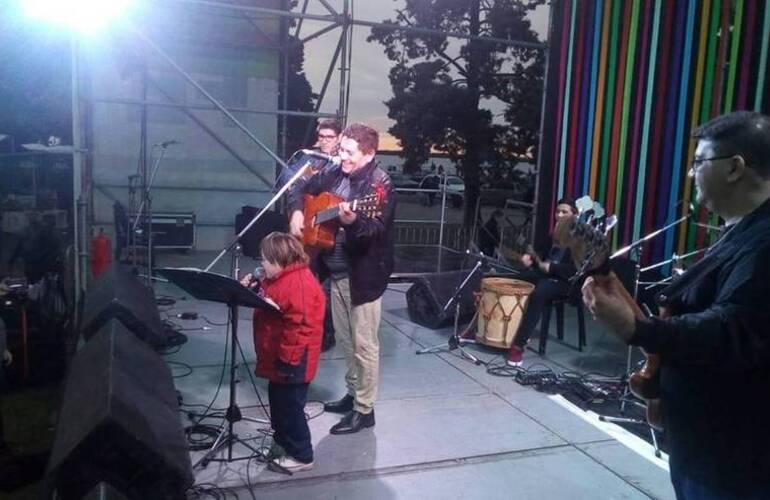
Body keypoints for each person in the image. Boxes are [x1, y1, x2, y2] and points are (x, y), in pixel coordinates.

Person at [583, 111, 770, 499]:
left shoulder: (764, 242)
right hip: (705, 444)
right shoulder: (740, 231)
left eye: (699, 162)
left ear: (735, 168)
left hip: (734, 459)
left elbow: (732, 329)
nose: (690, 174)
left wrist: (640, 330)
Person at [288, 123, 396, 435]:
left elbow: (374, 231)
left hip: (363, 277)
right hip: (334, 272)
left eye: (349, 152)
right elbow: (300, 187)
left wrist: (353, 223)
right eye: (341, 150)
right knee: (347, 342)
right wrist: (298, 213)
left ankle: (365, 410)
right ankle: (353, 394)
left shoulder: (380, 186)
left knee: (365, 344)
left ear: (369, 154)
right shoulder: (335, 173)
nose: (342, 157)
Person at [241, 232, 325, 474]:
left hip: (293, 360)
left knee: (290, 410)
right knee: (279, 406)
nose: (261, 264)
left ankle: (302, 455)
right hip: (279, 358)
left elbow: (301, 326)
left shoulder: (299, 283)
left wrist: (288, 361)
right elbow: (273, 302)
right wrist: (255, 289)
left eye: (265, 260)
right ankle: (282, 444)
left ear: (280, 258)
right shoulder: (280, 278)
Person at [506, 198, 578, 366]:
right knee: (513, 279)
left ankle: (519, 345)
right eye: (558, 211)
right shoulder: (554, 234)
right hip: (546, 276)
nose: (559, 215)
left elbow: (575, 271)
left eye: (564, 212)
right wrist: (529, 258)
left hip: (566, 283)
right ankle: (497, 331)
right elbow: (539, 253)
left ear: (575, 216)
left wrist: (552, 268)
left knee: (540, 291)